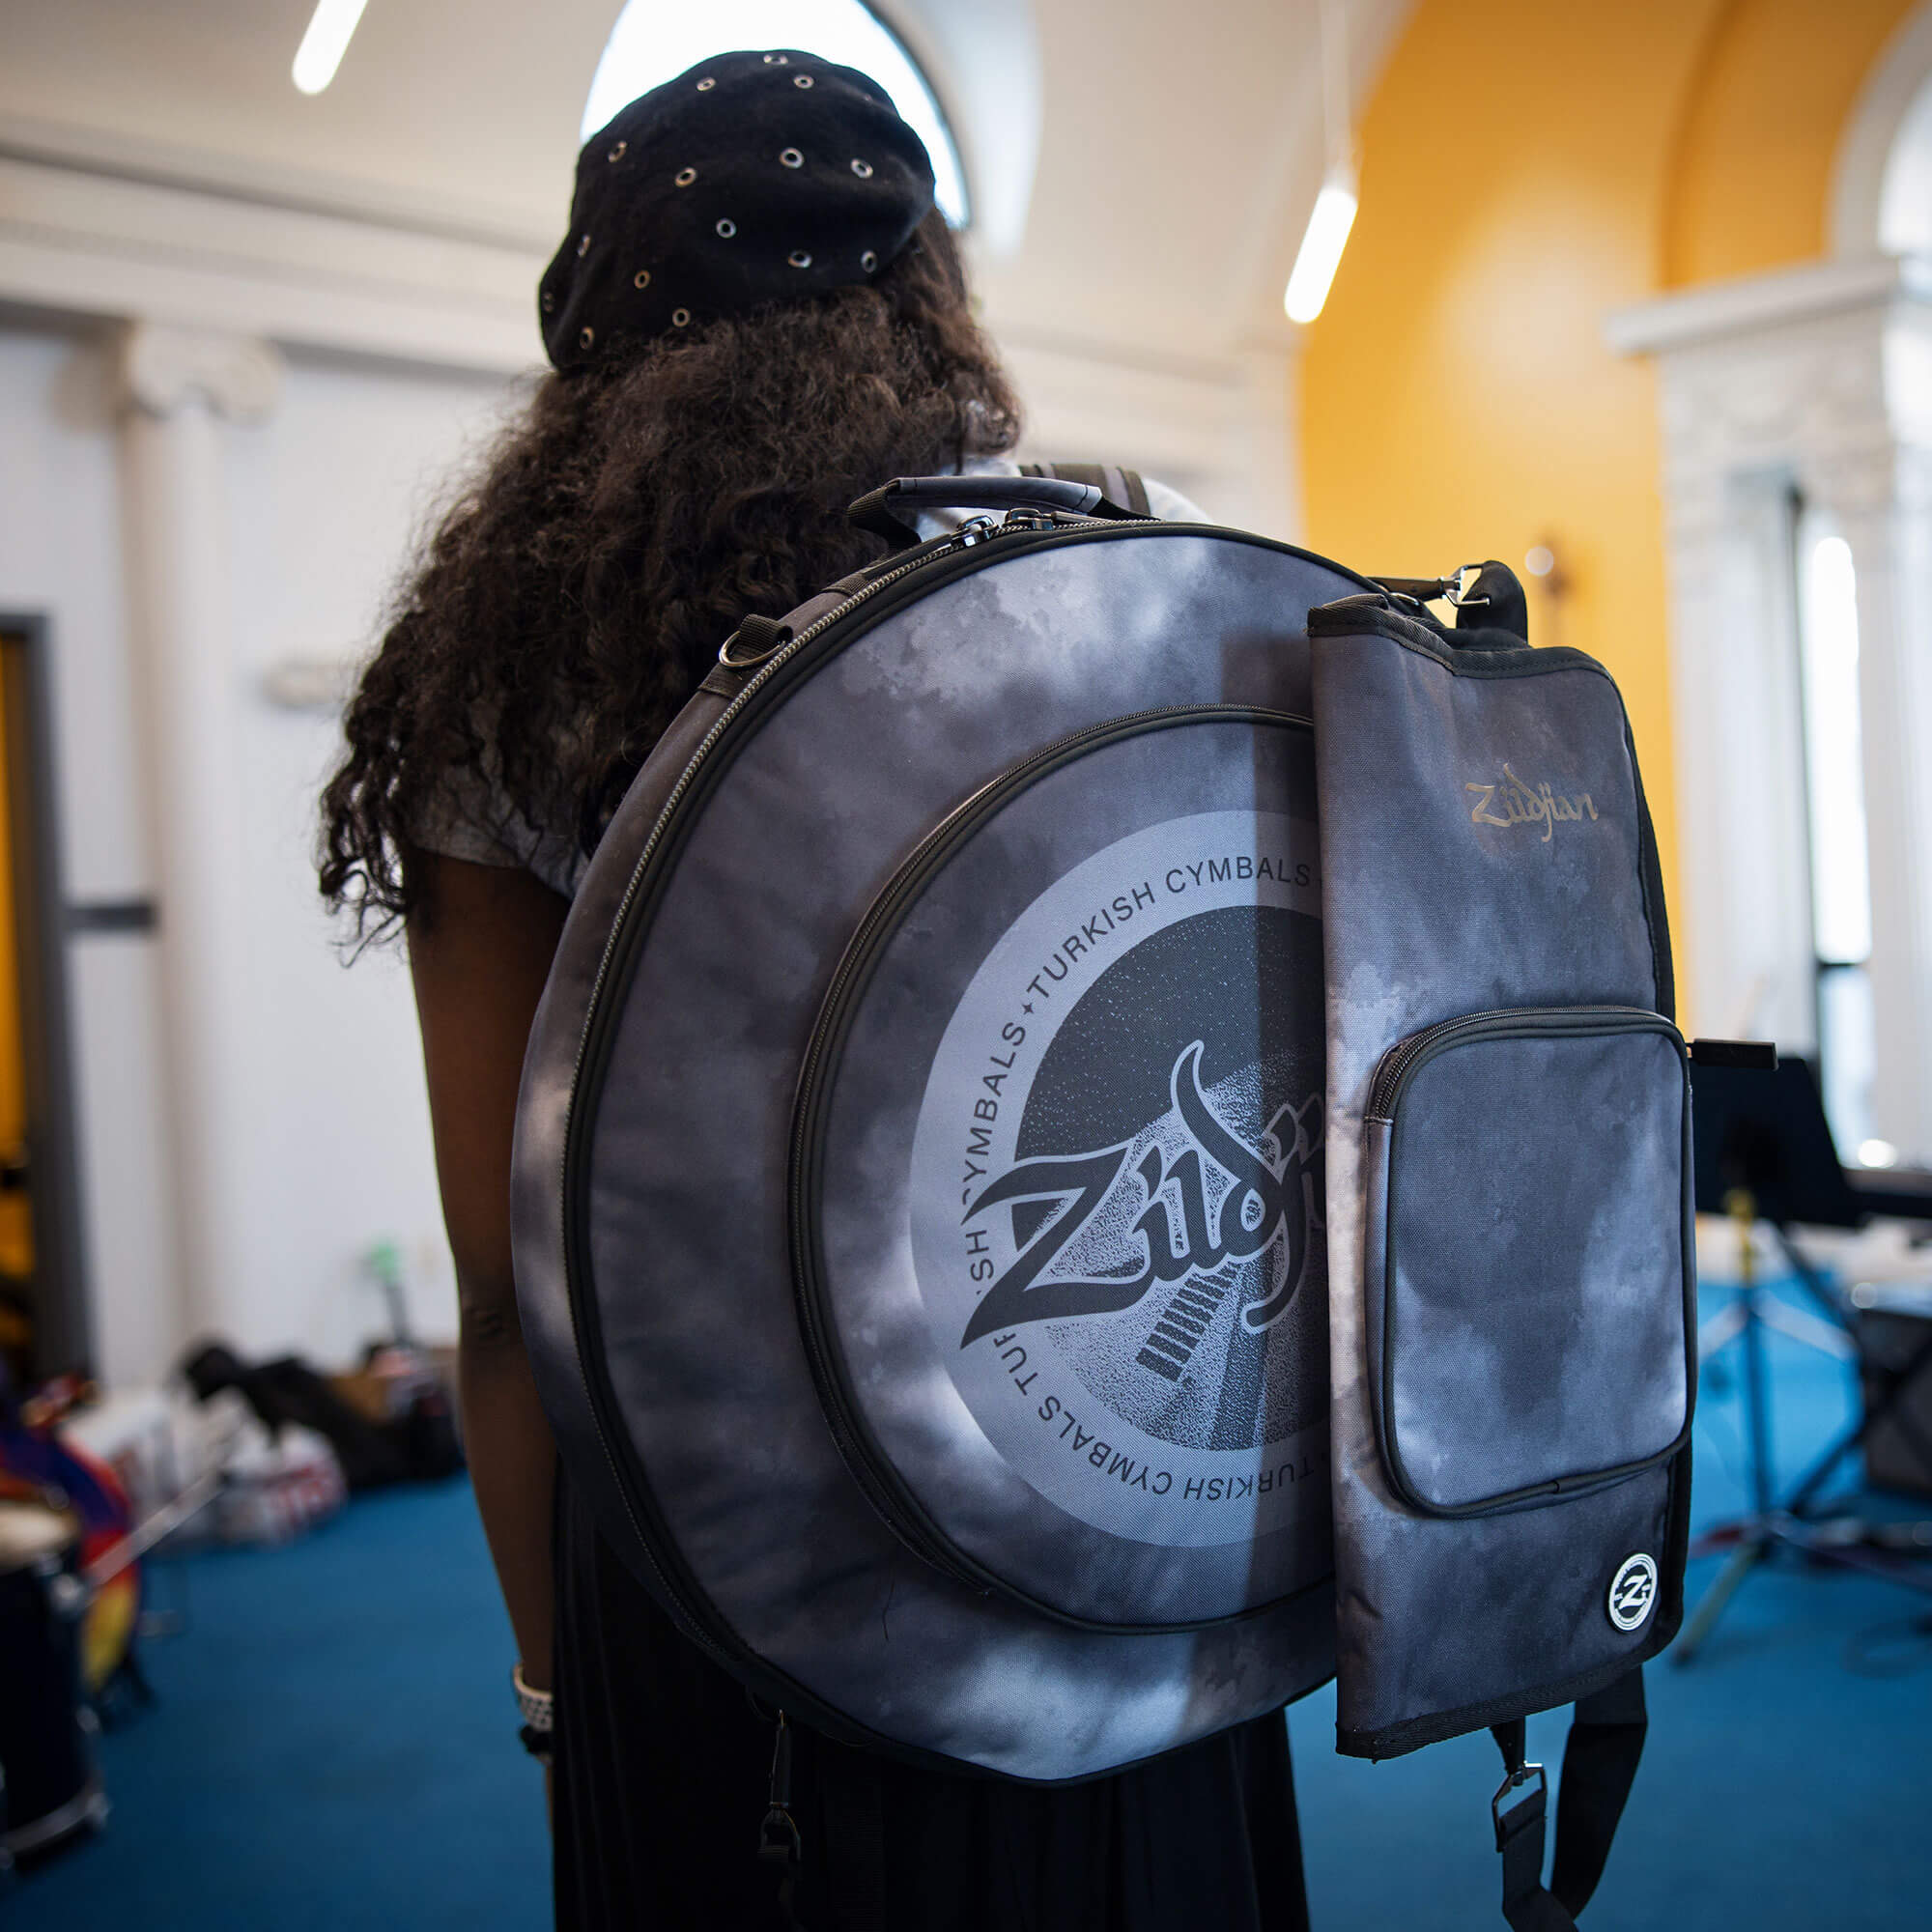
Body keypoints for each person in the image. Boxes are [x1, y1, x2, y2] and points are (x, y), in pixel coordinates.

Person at [319, 50, 1310, 1932]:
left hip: (723, 1600)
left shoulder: (510, 680)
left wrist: (557, 1691)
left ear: (597, 337)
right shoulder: (1112, 577)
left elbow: (513, 1299)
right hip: (1112, 1529)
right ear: (927, 305)